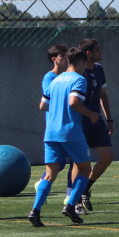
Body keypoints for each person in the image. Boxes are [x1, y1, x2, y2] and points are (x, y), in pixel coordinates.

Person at [29, 47, 96, 227]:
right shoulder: (80, 79)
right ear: (81, 63)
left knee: (49, 174)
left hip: (50, 133)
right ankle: (71, 205)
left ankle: (35, 211)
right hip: (71, 131)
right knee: (84, 170)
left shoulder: (55, 80)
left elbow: (42, 106)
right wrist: (90, 114)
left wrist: (59, 109)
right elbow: (74, 102)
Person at [76, 39, 113, 214]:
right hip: (81, 121)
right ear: (88, 53)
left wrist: (109, 119)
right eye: (98, 50)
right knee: (80, 161)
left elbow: (103, 95)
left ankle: (85, 188)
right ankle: (74, 201)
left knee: (107, 156)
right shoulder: (78, 71)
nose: (101, 52)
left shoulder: (99, 69)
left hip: (97, 120)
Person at [37, 44, 73, 199]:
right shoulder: (49, 78)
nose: (66, 58)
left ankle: (70, 195)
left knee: (74, 161)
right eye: (62, 55)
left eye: (67, 55)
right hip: (56, 127)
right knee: (60, 164)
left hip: (69, 126)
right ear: (54, 59)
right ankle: (42, 184)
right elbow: (46, 103)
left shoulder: (68, 76)